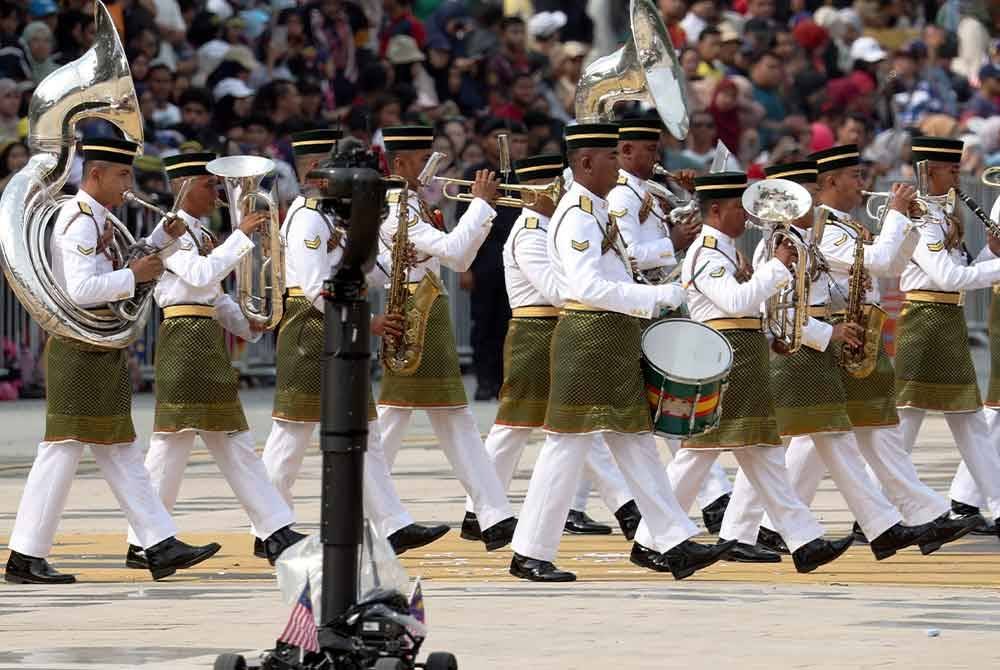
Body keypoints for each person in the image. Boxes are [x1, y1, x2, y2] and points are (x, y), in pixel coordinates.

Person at [509, 123, 733, 583]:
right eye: (611, 156)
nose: (619, 163)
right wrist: (656, 298)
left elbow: (615, 271)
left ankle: (669, 541)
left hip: (611, 336)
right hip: (589, 338)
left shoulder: (595, 209)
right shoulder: (576, 214)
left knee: (634, 441)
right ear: (586, 163)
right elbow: (585, 286)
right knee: (566, 446)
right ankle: (530, 551)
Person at [726, 159, 976, 561]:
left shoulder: (805, 238)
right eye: (806, 197)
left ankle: (888, 524)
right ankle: (750, 531)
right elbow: (780, 308)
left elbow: (877, 270)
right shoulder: (782, 243)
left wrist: (905, 224)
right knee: (776, 444)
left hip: (820, 347)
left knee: (809, 442)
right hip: (795, 352)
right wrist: (830, 333)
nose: (814, 205)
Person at [4, 138, 220, 584]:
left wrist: (161, 240)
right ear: (96, 175)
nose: (129, 184)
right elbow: (81, 290)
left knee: (115, 450)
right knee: (66, 452)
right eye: (123, 176)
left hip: (95, 350)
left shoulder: (98, 219)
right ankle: (28, 556)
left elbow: (119, 266)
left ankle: (157, 544)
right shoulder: (79, 221)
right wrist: (135, 275)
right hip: (81, 349)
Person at [259, 129, 449, 557]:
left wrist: (398, 259)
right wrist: (371, 320)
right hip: (312, 329)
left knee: (365, 431)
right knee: (291, 434)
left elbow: (357, 270)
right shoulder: (308, 217)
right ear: (316, 172)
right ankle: (268, 524)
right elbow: (313, 288)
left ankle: (393, 524)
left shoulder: (330, 216)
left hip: (338, 324)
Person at [663, 169, 860, 570]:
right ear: (715, 210)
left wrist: (775, 337)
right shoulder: (705, 252)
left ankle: (805, 542)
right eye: (738, 207)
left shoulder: (725, 250)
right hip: (720, 360)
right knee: (698, 456)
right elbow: (735, 302)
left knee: (765, 454)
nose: (746, 216)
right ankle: (656, 538)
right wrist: (778, 267)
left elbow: (747, 311)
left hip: (743, 356)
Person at [122, 151, 304, 570]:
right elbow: (200, 276)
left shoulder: (199, 230)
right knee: (183, 441)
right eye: (210, 185)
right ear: (184, 186)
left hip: (200, 335)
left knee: (210, 440)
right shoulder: (168, 232)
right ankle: (271, 529)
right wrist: (240, 237)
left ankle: (147, 541)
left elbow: (214, 297)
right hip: (184, 337)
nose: (218, 192)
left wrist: (248, 324)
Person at [459, 154, 642, 542]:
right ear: (532, 192)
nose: (559, 193)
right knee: (514, 428)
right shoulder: (528, 232)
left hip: (554, 330)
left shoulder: (550, 227)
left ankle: (627, 508)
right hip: (535, 332)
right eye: (551, 188)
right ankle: (478, 511)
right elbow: (558, 290)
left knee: (576, 427)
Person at [376, 125, 517, 552]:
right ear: (398, 164)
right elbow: (456, 255)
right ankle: (373, 511)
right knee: (395, 422)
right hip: (414, 309)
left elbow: (458, 256)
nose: (432, 171)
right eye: (423, 162)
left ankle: (493, 516)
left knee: (450, 418)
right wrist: (479, 204)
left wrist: (480, 210)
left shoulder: (414, 204)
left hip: (427, 308)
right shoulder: (399, 209)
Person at [606, 115, 732, 533]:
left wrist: (694, 198)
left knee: (675, 403)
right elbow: (628, 255)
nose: (657, 157)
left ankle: (710, 497)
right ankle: (705, 499)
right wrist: (673, 243)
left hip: (661, 303)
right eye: (650, 150)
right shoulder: (622, 196)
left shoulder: (648, 189)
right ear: (626, 151)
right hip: (645, 305)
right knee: (670, 404)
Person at [894, 136, 1000, 542]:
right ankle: (880, 513)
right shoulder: (921, 218)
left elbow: (967, 269)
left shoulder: (945, 214)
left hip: (947, 319)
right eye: (950, 169)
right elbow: (950, 277)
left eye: (957, 168)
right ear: (927, 172)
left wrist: (992, 255)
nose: (958, 174)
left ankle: (993, 504)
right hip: (923, 321)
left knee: (971, 421)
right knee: (904, 421)